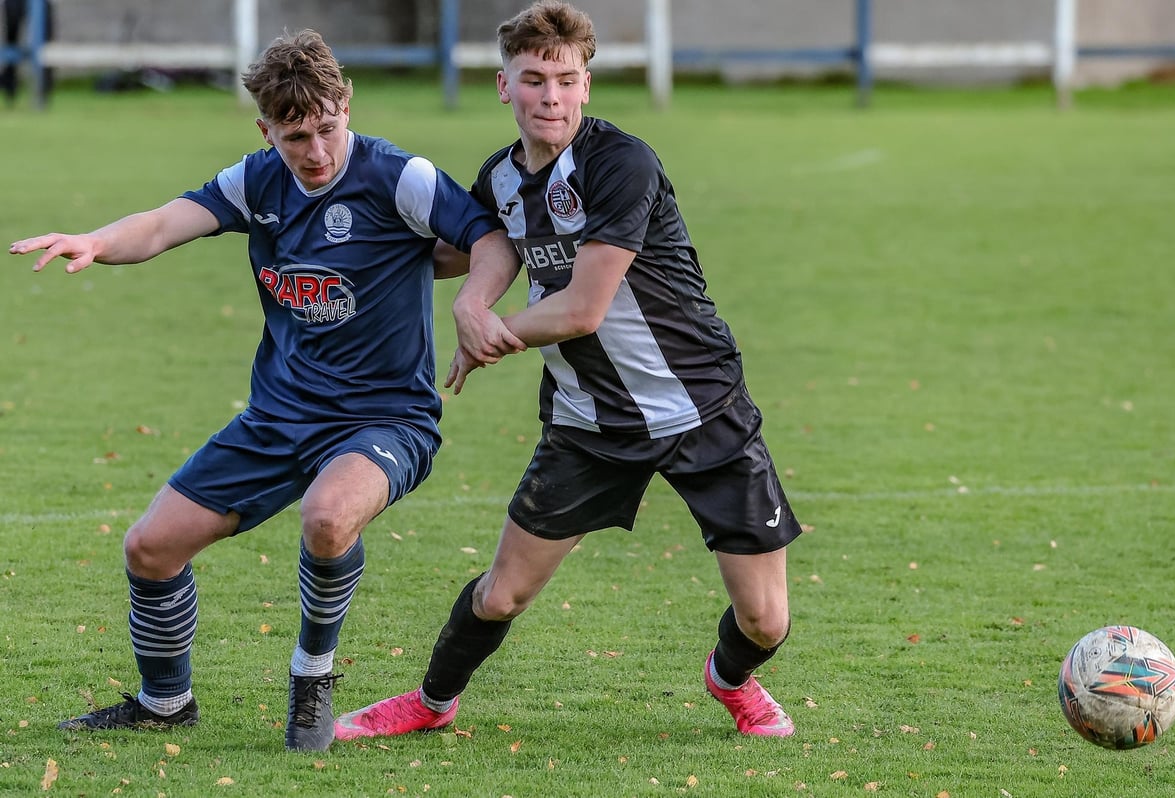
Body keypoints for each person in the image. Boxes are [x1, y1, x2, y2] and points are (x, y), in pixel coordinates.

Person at [8, 29, 515, 752]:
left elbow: (490, 239)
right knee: (150, 548)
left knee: (328, 517)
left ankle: (312, 679)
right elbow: (162, 224)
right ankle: (164, 703)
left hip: (385, 419)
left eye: (327, 128)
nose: (316, 152)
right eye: (295, 136)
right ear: (266, 130)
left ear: (347, 105)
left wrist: (472, 305)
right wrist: (96, 241)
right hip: (278, 418)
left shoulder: (400, 176)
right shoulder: (258, 181)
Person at [333, 0, 803, 742]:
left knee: (766, 620)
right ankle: (431, 702)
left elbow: (584, 309)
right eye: (532, 79)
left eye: (564, 80)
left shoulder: (621, 164)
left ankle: (730, 679)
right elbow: (473, 249)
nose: (549, 97)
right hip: (589, 424)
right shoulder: (500, 177)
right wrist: (356, 252)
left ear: (586, 85)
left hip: (702, 409)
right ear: (504, 86)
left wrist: (486, 332)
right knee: (501, 594)